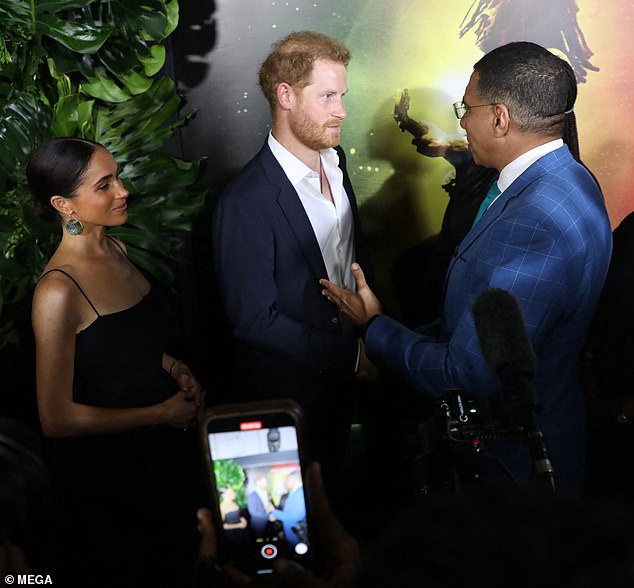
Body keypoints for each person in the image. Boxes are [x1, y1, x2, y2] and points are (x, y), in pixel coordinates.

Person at [320, 42, 612, 496]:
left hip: (515, 470)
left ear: (500, 118)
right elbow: (487, 322)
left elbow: (469, 372)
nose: (461, 121)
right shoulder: (571, 178)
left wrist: (375, 330)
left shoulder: (535, 219)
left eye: (466, 108)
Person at [28, 137, 206, 587]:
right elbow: (55, 417)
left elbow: (121, 345)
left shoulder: (118, 250)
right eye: (105, 185)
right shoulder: (57, 291)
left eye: (118, 177)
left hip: (163, 461)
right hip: (109, 483)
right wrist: (160, 413)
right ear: (62, 205)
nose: (122, 191)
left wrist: (172, 367)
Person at [211, 31, 375, 502]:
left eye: (341, 96)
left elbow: (349, 258)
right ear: (285, 95)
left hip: (347, 389)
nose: (341, 110)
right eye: (327, 97)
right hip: (290, 400)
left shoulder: (336, 160)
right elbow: (252, 320)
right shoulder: (245, 201)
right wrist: (354, 359)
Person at [270, 470, 307, 547]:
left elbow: (294, 517)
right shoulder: (294, 492)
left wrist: (273, 512)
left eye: (287, 480)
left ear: (293, 479)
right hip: (292, 534)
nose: (285, 483)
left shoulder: (300, 493)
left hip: (297, 537)